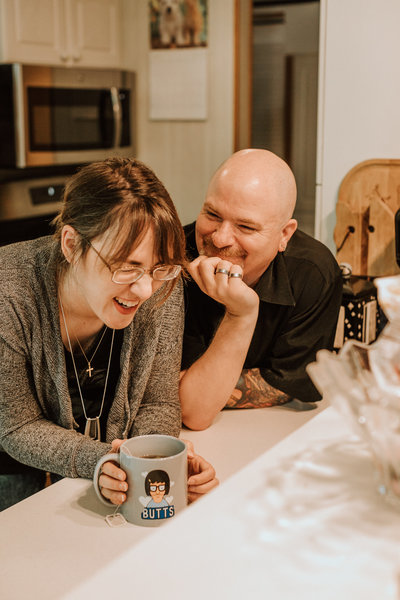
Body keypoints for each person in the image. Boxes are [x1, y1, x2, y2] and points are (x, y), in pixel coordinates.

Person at [0, 157, 218, 511]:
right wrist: (105, 460)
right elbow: (16, 425)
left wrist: (160, 460)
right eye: (126, 267)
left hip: (107, 486)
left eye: (156, 267)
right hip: (13, 473)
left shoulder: (163, 283)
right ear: (71, 245)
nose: (145, 288)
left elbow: (158, 401)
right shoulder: (9, 290)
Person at [179, 149, 343, 430]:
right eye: (212, 214)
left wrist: (241, 312)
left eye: (245, 226)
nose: (219, 238)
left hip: (273, 431)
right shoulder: (171, 258)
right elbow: (190, 410)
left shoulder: (312, 274)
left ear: (284, 235)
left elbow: (293, 380)